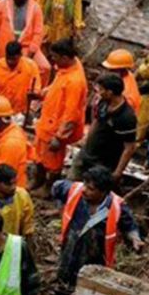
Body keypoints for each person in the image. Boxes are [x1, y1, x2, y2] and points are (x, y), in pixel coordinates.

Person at [52, 166, 144, 295]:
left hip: (96, 257)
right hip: (71, 248)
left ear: (103, 192)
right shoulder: (75, 190)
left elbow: (129, 225)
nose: (85, 190)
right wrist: (59, 207)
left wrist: (135, 238)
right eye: (85, 185)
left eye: (91, 189)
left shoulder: (115, 206)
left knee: (89, 288)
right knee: (64, 278)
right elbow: (56, 187)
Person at [33, 39, 88, 188]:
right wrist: (40, 94)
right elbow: (54, 87)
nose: (52, 60)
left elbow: (72, 114)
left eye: (55, 57)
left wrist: (60, 136)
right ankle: (38, 182)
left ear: (64, 57)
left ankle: (47, 188)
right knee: (38, 156)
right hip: (46, 122)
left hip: (56, 128)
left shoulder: (75, 81)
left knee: (53, 162)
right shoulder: (64, 69)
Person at [71, 74, 137, 182]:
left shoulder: (126, 117)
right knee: (73, 181)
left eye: (101, 90)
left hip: (104, 162)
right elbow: (96, 121)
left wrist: (118, 172)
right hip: (87, 152)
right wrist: (87, 139)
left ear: (110, 92)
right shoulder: (103, 102)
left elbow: (129, 147)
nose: (98, 92)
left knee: (92, 189)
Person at [0, 0, 49, 82]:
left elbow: (38, 32)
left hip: (26, 47)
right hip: (5, 48)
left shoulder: (35, 8)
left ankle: (36, 93)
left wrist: (31, 52)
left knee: (45, 68)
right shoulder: (1, 5)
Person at [0, 41, 41, 117]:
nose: (10, 62)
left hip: (21, 113)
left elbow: (36, 90)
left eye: (13, 59)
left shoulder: (31, 66)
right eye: (8, 58)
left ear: (20, 55)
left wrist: (31, 110)